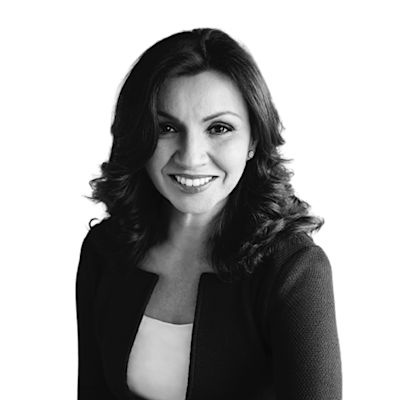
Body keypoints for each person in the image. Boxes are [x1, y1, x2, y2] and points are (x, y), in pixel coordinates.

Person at [76, 28, 342, 400]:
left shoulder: (293, 269)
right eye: (166, 127)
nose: (191, 157)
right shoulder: (105, 250)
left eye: (219, 128)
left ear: (253, 140)